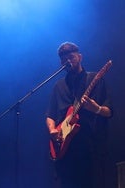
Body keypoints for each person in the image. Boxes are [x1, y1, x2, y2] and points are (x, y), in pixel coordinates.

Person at [45, 42, 113, 188]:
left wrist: (97, 109)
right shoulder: (59, 86)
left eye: (71, 57)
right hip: (65, 153)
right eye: (64, 59)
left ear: (80, 57)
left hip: (90, 150)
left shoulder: (95, 79)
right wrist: (52, 130)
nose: (67, 61)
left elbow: (109, 112)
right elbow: (50, 114)